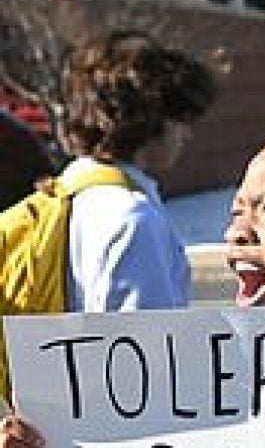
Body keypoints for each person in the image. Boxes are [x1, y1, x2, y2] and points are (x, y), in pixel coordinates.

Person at [57, 29, 216, 311]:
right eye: (181, 118)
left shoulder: (65, 193)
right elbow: (147, 343)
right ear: (149, 118)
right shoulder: (133, 219)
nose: (187, 135)